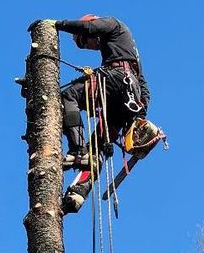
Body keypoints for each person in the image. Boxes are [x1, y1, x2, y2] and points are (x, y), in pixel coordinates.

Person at [53, 16, 151, 168]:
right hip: (128, 95)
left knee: (69, 95)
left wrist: (57, 24)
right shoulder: (128, 50)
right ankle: (81, 189)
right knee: (98, 145)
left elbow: (87, 27)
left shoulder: (113, 24)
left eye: (84, 41)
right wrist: (140, 115)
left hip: (117, 80)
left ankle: (78, 151)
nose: (88, 46)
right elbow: (142, 84)